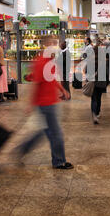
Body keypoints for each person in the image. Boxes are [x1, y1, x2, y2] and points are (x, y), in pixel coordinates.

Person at [14, 36, 73, 170]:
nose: (55, 46)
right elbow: (36, 84)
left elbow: (51, 79)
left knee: (45, 132)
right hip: (46, 103)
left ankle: (22, 149)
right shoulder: (41, 61)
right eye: (52, 43)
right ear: (46, 45)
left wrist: (62, 89)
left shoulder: (48, 60)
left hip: (50, 101)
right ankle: (59, 161)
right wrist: (31, 103)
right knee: (56, 133)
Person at [87, 44, 109, 124]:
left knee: (93, 99)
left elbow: (86, 70)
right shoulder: (103, 60)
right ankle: (97, 113)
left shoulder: (90, 59)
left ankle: (94, 114)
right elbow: (106, 73)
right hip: (101, 82)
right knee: (99, 98)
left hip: (92, 82)